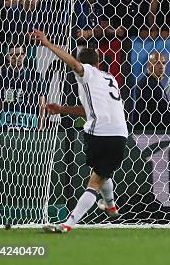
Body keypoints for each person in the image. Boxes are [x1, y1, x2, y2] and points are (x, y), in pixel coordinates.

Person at [31, 30, 127, 233]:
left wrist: (47, 44)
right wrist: (63, 109)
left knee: (94, 182)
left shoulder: (87, 73)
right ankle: (111, 207)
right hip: (120, 135)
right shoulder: (109, 78)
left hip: (99, 134)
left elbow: (74, 65)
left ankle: (68, 224)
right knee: (102, 174)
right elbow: (88, 110)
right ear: (99, 62)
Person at [0, 43, 47, 131]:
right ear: (8, 56)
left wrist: (40, 129)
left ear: (25, 55)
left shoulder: (36, 77)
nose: (16, 57)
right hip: (6, 130)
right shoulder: (0, 78)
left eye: (20, 54)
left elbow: (42, 106)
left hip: (29, 130)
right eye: (12, 55)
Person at [133, 51, 170, 132]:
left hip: (159, 133)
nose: (161, 66)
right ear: (149, 66)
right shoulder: (147, 83)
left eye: (163, 63)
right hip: (151, 134)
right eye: (157, 63)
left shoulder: (155, 82)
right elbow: (144, 113)